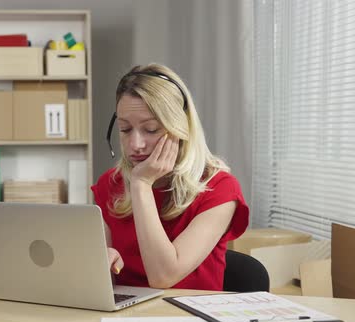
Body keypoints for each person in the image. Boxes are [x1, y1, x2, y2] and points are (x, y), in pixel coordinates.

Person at [91, 63, 249, 290]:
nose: (135, 145)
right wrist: (99, 265)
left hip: (189, 319)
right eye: (125, 130)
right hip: (126, 319)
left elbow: (163, 277)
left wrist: (142, 184)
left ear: (181, 129)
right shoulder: (110, 184)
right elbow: (104, 285)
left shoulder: (220, 189)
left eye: (151, 129)